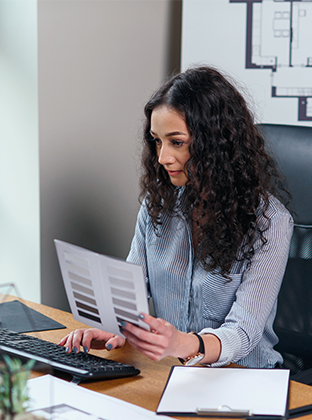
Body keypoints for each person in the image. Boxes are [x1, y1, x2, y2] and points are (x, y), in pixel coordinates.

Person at [57, 67, 293, 368]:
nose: (162, 157)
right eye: (157, 141)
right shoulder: (158, 205)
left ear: (215, 144)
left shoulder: (270, 222)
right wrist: (115, 325)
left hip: (244, 377)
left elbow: (243, 332)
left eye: (176, 142)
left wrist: (185, 344)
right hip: (173, 371)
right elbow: (131, 291)